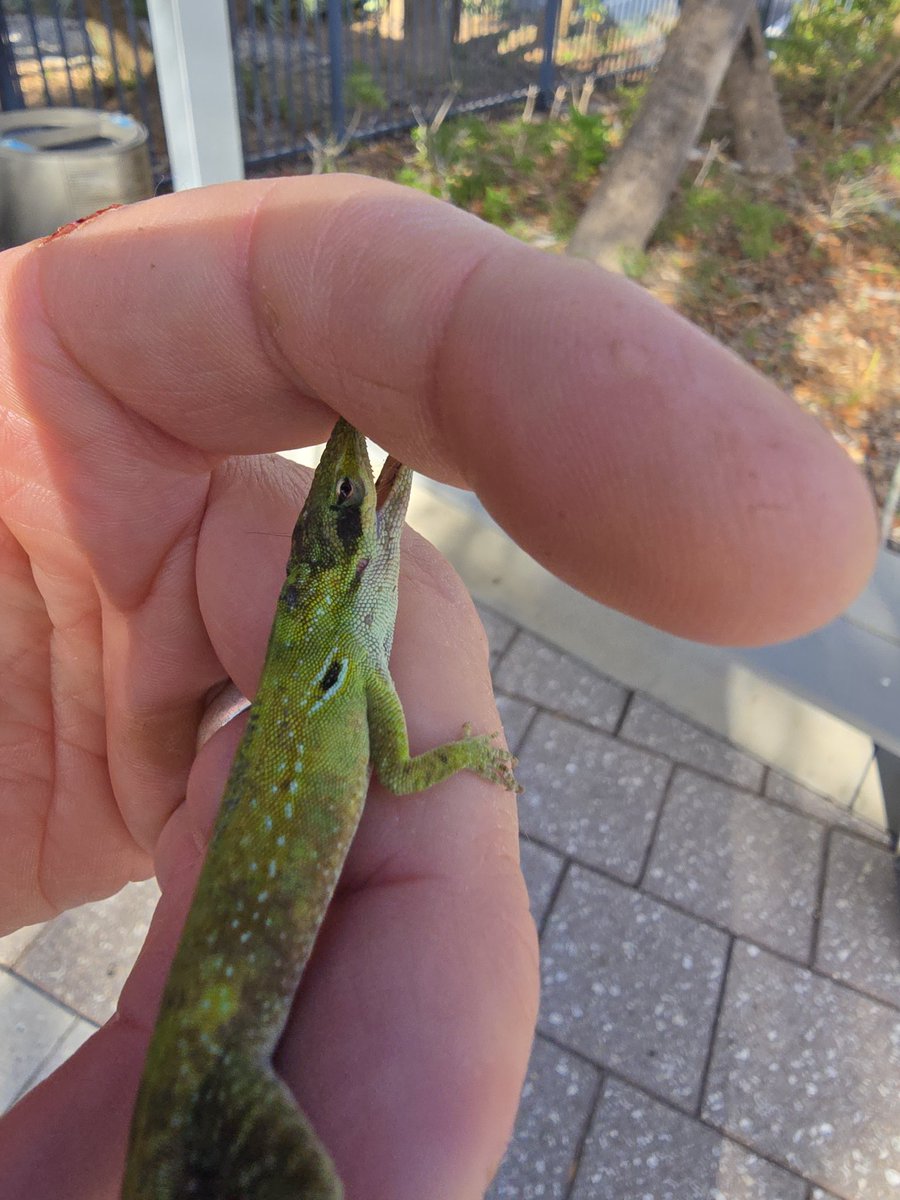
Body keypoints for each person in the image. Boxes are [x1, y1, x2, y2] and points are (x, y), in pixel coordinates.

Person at [0, 176, 877, 1199]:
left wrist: (463, 755)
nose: (368, 497)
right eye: (347, 511)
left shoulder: (327, 675)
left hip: (212, 1037)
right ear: (335, 573)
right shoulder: (340, 676)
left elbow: (408, 763)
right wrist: (472, 755)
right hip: (216, 1052)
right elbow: (412, 775)